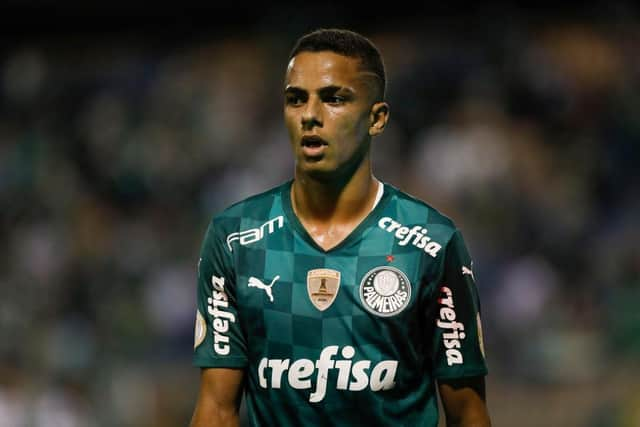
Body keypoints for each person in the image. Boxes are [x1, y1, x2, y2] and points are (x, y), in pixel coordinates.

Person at [190, 28, 491, 427]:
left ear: (377, 118)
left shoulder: (431, 243)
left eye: (334, 98)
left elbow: (468, 414)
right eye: (296, 99)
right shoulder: (235, 239)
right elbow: (216, 409)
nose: (311, 115)